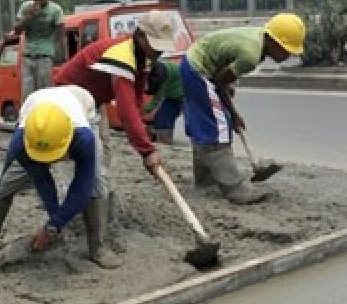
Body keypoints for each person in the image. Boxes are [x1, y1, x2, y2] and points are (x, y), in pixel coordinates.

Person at [0, 85, 120, 269]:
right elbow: (42, 180)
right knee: (5, 184)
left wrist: (53, 225)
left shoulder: (83, 137)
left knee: (95, 182)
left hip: (82, 102)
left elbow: (82, 187)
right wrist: (55, 224)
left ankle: (98, 248)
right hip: (37, 113)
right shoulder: (20, 142)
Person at [179, 13, 305, 204]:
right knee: (219, 127)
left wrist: (231, 109)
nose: (289, 55)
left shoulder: (258, 40)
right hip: (198, 70)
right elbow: (219, 83)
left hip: (193, 64)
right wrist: (233, 114)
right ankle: (235, 189)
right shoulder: (251, 55)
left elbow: (223, 79)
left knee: (205, 125)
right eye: (286, 49)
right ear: (273, 41)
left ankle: (205, 182)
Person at [53, 26, 163, 178]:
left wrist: (142, 128)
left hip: (93, 100)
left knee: (103, 149)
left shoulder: (140, 57)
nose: (160, 51)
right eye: (156, 45)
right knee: (88, 153)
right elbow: (126, 110)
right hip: (70, 98)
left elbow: (136, 98)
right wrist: (147, 151)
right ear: (141, 37)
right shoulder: (122, 55)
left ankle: (100, 191)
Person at [6, 0, 65, 100]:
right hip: (27, 56)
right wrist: (30, 16)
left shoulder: (56, 10)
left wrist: (61, 58)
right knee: (27, 95)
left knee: (44, 94)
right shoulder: (26, 7)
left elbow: (60, 36)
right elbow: (17, 30)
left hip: (45, 56)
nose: (38, 1)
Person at [142, 58, 185, 144]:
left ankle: (164, 141)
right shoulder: (157, 68)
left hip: (182, 96)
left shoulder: (161, 77)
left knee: (163, 120)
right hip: (172, 94)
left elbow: (156, 100)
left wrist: (138, 111)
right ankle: (160, 138)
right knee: (161, 118)